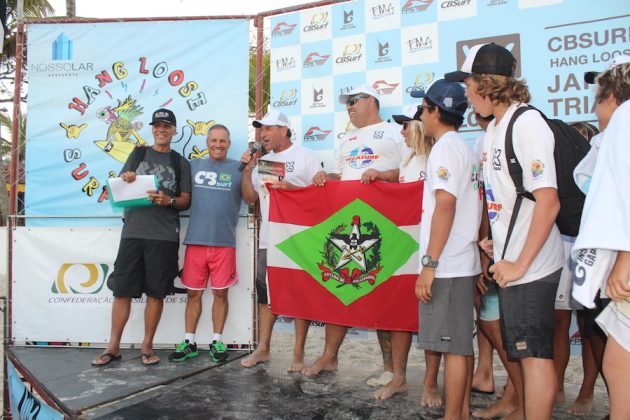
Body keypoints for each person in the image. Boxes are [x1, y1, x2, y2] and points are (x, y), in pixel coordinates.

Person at [446, 43, 564, 419]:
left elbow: (548, 201)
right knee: (523, 351)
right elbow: (513, 199)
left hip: (532, 265)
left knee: (533, 355)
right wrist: (495, 242)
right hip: (511, 262)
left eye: (468, 84)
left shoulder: (527, 122)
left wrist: (519, 263)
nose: (465, 93)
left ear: (485, 83)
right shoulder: (495, 127)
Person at [307, 84, 403, 381]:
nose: (348, 106)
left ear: (372, 102)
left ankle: (390, 369)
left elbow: (410, 172)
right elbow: (340, 174)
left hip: (385, 223)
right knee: (341, 289)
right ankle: (330, 357)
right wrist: (327, 176)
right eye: (346, 103)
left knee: (385, 296)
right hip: (348, 225)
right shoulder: (347, 138)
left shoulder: (395, 132)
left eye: (353, 100)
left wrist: (382, 176)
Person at [92, 108, 192, 366]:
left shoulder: (181, 163)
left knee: (156, 293)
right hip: (133, 233)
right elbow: (121, 185)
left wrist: (167, 200)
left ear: (173, 130)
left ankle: (147, 346)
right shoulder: (137, 153)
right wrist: (126, 178)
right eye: (157, 125)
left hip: (164, 237)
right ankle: (113, 347)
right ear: (152, 128)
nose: (161, 129)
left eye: (166, 126)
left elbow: (185, 201)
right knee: (122, 292)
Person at [413, 79, 482, 420]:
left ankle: (454, 415)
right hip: (459, 261)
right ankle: (462, 412)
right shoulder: (465, 148)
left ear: (436, 111)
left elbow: (446, 206)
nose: (420, 117)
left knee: (453, 348)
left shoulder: (444, 148)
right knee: (459, 345)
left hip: (448, 265)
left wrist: (430, 263)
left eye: (423, 110)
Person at [358, 104, 435, 401]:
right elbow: (400, 174)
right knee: (395, 312)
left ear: (418, 126)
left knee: (430, 319)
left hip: (430, 249)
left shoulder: (436, 154)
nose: (401, 131)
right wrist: (381, 174)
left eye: (406, 125)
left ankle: (430, 382)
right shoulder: (408, 156)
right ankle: (396, 374)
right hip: (404, 249)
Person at [239, 109, 321, 371]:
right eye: (261, 129)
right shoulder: (263, 161)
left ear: (284, 130)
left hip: (299, 241)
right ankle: (263, 349)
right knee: (266, 296)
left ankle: (298, 355)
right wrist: (246, 171)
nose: (263, 134)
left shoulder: (306, 157)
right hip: (267, 241)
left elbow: (319, 198)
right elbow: (251, 199)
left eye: (269, 128)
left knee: (299, 296)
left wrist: (292, 189)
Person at [572, 57, 630, 420]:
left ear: (612, 95)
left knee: (618, 362)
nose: (594, 109)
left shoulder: (625, 120)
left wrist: (625, 258)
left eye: (597, 97)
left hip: (626, 267)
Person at [168, 124, 243, 363]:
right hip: (196, 241)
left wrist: (250, 170)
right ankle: (189, 341)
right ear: (207, 142)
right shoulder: (193, 166)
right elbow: (169, 173)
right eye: (213, 140)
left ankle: (217, 340)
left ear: (229, 143)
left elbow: (251, 197)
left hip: (224, 243)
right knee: (193, 294)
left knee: (221, 294)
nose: (218, 144)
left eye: (222, 140)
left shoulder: (239, 168)